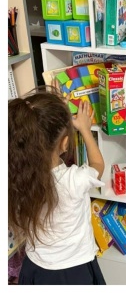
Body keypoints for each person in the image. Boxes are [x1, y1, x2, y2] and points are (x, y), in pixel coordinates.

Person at [9, 92, 106, 285]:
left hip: (36, 266)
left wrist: (54, 115)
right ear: (65, 143)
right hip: (74, 269)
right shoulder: (73, 180)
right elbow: (98, 166)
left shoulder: (15, 176)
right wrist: (85, 129)